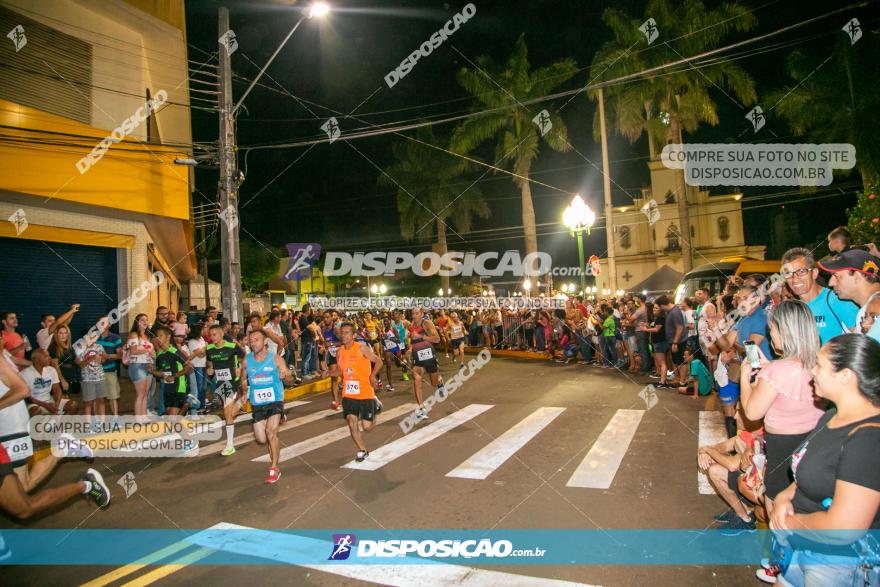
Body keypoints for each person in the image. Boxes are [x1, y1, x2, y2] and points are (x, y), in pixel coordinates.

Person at [769, 333, 880, 587]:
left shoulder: (869, 439)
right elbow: (813, 469)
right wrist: (785, 496)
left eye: (819, 365)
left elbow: (844, 527)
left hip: (839, 564)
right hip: (807, 547)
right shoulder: (830, 417)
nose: (812, 372)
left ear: (845, 376)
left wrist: (789, 521)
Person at [739, 300, 824, 523]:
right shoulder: (821, 363)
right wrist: (769, 370)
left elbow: (752, 412)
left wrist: (745, 377)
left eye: (773, 330)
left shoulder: (777, 371)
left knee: (779, 521)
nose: (771, 335)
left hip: (782, 453)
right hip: (815, 449)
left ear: (784, 331)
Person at [0, 355, 109, 519]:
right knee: (22, 488)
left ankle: (83, 482)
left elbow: (22, 389)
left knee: (22, 502)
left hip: (10, 426)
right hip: (6, 428)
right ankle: (66, 453)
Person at [242, 329, 294, 483]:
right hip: (257, 404)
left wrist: (286, 376)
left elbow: (290, 381)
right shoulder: (246, 360)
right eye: (251, 341)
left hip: (274, 401)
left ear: (265, 342)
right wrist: (244, 392)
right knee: (261, 439)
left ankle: (274, 468)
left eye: (256, 340)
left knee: (271, 433)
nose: (253, 343)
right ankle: (274, 448)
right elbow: (243, 380)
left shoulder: (276, 359)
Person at [781, 247, 859, 342]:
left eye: (801, 271)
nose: (795, 279)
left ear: (814, 273)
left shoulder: (837, 300)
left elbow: (861, 342)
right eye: (788, 273)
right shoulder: (795, 308)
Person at [331, 322, 383, 462]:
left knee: (366, 427)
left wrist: (372, 376)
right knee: (351, 422)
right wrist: (328, 373)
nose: (344, 335)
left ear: (354, 335)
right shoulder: (339, 351)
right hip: (349, 393)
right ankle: (362, 450)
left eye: (347, 332)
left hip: (365, 392)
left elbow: (378, 361)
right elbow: (339, 371)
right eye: (342, 332)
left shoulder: (362, 348)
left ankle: (376, 409)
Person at [205, 324, 246, 456]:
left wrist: (240, 369)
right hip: (220, 383)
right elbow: (210, 362)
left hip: (232, 381)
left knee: (227, 412)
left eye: (215, 334)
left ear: (222, 334)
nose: (212, 337)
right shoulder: (209, 348)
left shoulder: (232, 346)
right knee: (228, 413)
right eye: (210, 335)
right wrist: (210, 368)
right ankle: (240, 403)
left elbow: (244, 357)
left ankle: (229, 445)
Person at [819, 248, 880, 328]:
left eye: (836, 275)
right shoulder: (866, 311)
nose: (831, 283)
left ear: (857, 276)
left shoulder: (875, 310)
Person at [408, 307, 443, 422]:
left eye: (417, 313)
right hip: (417, 357)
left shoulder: (426, 323)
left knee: (434, 383)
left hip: (429, 356)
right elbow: (413, 341)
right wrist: (410, 348)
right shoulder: (412, 325)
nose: (414, 315)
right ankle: (422, 408)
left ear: (422, 314)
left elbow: (437, 339)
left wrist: (421, 336)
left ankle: (440, 382)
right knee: (417, 380)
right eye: (413, 313)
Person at [149, 327, 193, 417]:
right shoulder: (160, 354)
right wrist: (152, 371)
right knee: (172, 417)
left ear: (168, 337)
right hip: (168, 389)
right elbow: (161, 373)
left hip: (179, 387)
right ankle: (186, 405)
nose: (158, 338)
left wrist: (174, 376)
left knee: (173, 419)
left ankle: (186, 405)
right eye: (157, 336)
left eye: (160, 336)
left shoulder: (175, 352)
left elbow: (190, 367)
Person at [21, 349, 76, 416]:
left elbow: (57, 389)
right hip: (35, 403)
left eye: (49, 355)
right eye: (46, 356)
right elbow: (27, 398)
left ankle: (59, 424)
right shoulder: (25, 374)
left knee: (72, 406)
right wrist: (46, 405)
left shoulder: (51, 370)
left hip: (50, 400)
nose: (49, 358)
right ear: (36, 360)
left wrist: (57, 404)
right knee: (35, 412)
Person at [75, 330, 108, 425]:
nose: (92, 338)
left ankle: (102, 423)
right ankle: (88, 425)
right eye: (90, 336)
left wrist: (104, 358)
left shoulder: (99, 347)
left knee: (101, 400)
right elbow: (80, 365)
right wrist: (92, 358)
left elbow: (103, 361)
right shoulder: (80, 348)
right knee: (88, 402)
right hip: (87, 379)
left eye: (94, 336)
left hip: (100, 377)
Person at [126, 314, 156, 418]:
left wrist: (153, 355)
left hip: (148, 365)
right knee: (140, 393)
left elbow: (153, 353)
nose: (145, 322)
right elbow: (133, 351)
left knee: (146, 393)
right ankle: (138, 418)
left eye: (147, 320)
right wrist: (148, 350)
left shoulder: (147, 336)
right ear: (137, 322)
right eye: (142, 320)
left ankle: (144, 416)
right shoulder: (134, 335)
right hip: (137, 365)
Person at [96, 318, 123, 419]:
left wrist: (108, 356)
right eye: (100, 322)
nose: (101, 324)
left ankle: (116, 419)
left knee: (113, 396)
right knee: (98, 398)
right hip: (95, 373)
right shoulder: (93, 337)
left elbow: (120, 355)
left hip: (110, 371)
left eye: (104, 322)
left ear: (110, 325)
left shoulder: (115, 338)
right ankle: (99, 421)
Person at [185, 326, 208, 413]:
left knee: (203, 387)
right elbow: (199, 354)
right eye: (202, 329)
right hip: (196, 365)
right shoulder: (192, 341)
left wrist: (203, 350)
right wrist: (204, 348)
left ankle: (202, 406)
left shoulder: (201, 339)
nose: (204, 330)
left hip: (203, 364)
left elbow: (203, 353)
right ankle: (196, 406)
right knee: (198, 387)